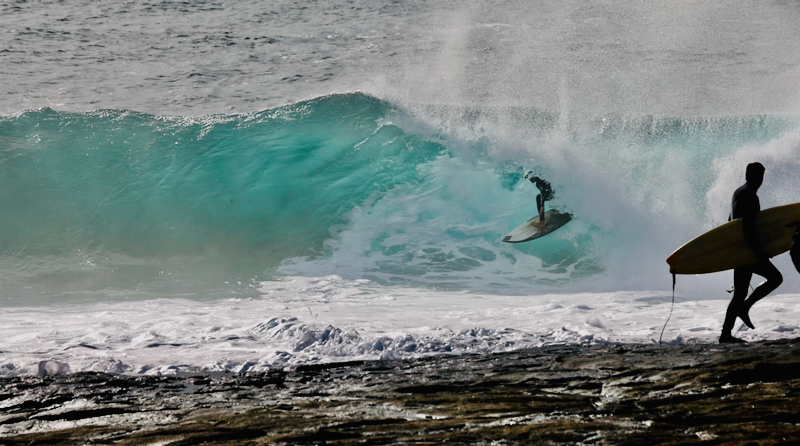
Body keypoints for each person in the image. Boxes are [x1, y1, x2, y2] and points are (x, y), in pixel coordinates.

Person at [721, 162, 783, 343]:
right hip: (748, 252)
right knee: (775, 278)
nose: (762, 181)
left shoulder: (738, 192)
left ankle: (725, 335)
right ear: (758, 177)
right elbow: (748, 228)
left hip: (740, 250)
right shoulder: (750, 196)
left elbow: (730, 221)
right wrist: (759, 252)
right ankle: (745, 307)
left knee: (739, 294)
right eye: (761, 177)